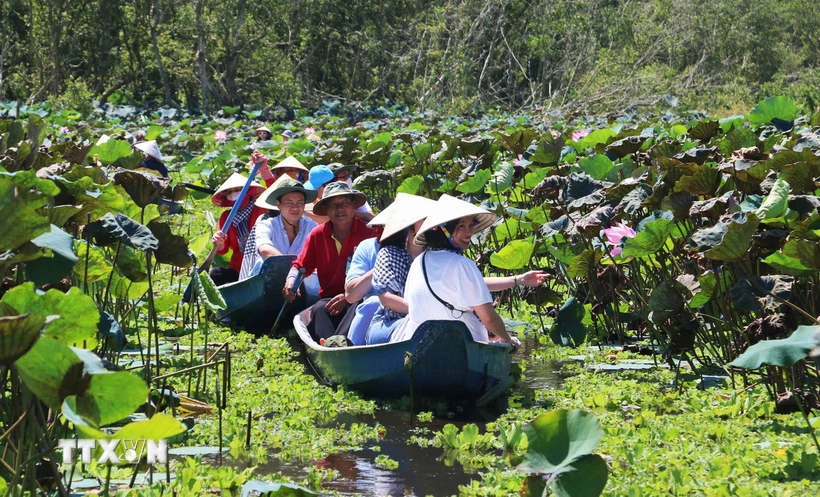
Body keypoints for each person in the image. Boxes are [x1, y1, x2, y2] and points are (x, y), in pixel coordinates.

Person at [394, 194, 548, 345]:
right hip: (462, 350)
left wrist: (518, 280)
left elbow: (463, 285)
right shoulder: (462, 264)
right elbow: (488, 318)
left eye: (470, 225)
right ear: (443, 231)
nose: (469, 233)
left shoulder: (418, 262)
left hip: (420, 347)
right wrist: (507, 340)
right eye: (461, 226)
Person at [283, 182, 379, 341]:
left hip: (362, 295)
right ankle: (329, 345)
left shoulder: (370, 232)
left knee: (357, 306)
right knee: (319, 309)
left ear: (353, 206)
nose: (340, 209)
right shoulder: (317, 235)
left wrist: (347, 296)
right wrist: (291, 281)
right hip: (329, 299)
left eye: (345, 204)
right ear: (326, 210)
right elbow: (300, 265)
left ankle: (339, 344)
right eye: (333, 205)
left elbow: (381, 270)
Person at [364, 194, 436, 345]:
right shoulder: (390, 253)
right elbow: (386, 298)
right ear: (409, 226)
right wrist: (428, 313)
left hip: (434, 322)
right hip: (391, 322)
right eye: (424, 219)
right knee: (421, 327)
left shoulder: (438, 255)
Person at [342, 197, 403, 346]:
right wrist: (384, 264)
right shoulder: (367, 247)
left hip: (408, 312)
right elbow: (351, 295)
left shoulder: (419, 250)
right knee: (373, 303)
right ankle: (353, 351)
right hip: (376, 315)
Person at [209, 151, 275, 285]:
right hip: (239, 268)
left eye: (238, 190)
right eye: (230, 192)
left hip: (263, 264)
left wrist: (264, 170)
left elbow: (274, 193)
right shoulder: (226, 217)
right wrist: (218, 241)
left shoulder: (260, 206)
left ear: (248, 191)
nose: (234, 194)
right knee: (216, 274)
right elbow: (223, 250)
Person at [239, 176, 319, 280]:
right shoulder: (266, 225)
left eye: (299, 202)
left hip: (301, 281)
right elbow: (265, 249)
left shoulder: (312, 227)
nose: (295, 207)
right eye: (289, 202)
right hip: (266, 280)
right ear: (278, 204)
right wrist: (292, 270)